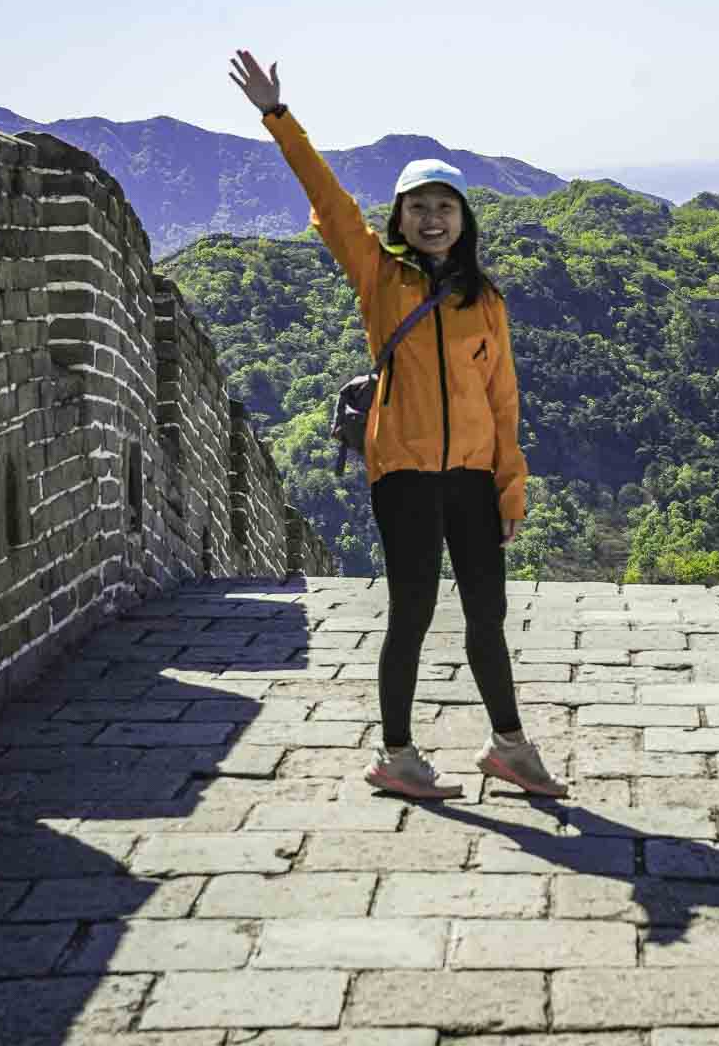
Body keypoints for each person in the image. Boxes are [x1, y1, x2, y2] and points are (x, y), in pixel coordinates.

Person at [229, 50, 567, 800]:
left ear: (464, 219)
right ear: (401, 219)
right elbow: (328, 198)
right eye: (419, 207)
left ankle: (509, 746)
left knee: (487, 613)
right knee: (411, 611)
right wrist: (276, 115)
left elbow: (504, 402)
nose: (433, 219)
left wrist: (510, 491)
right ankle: (398, 754)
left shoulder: (486, 300)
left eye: (445, 207)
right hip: (405, 475)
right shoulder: (380, 274)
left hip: (475, 477)